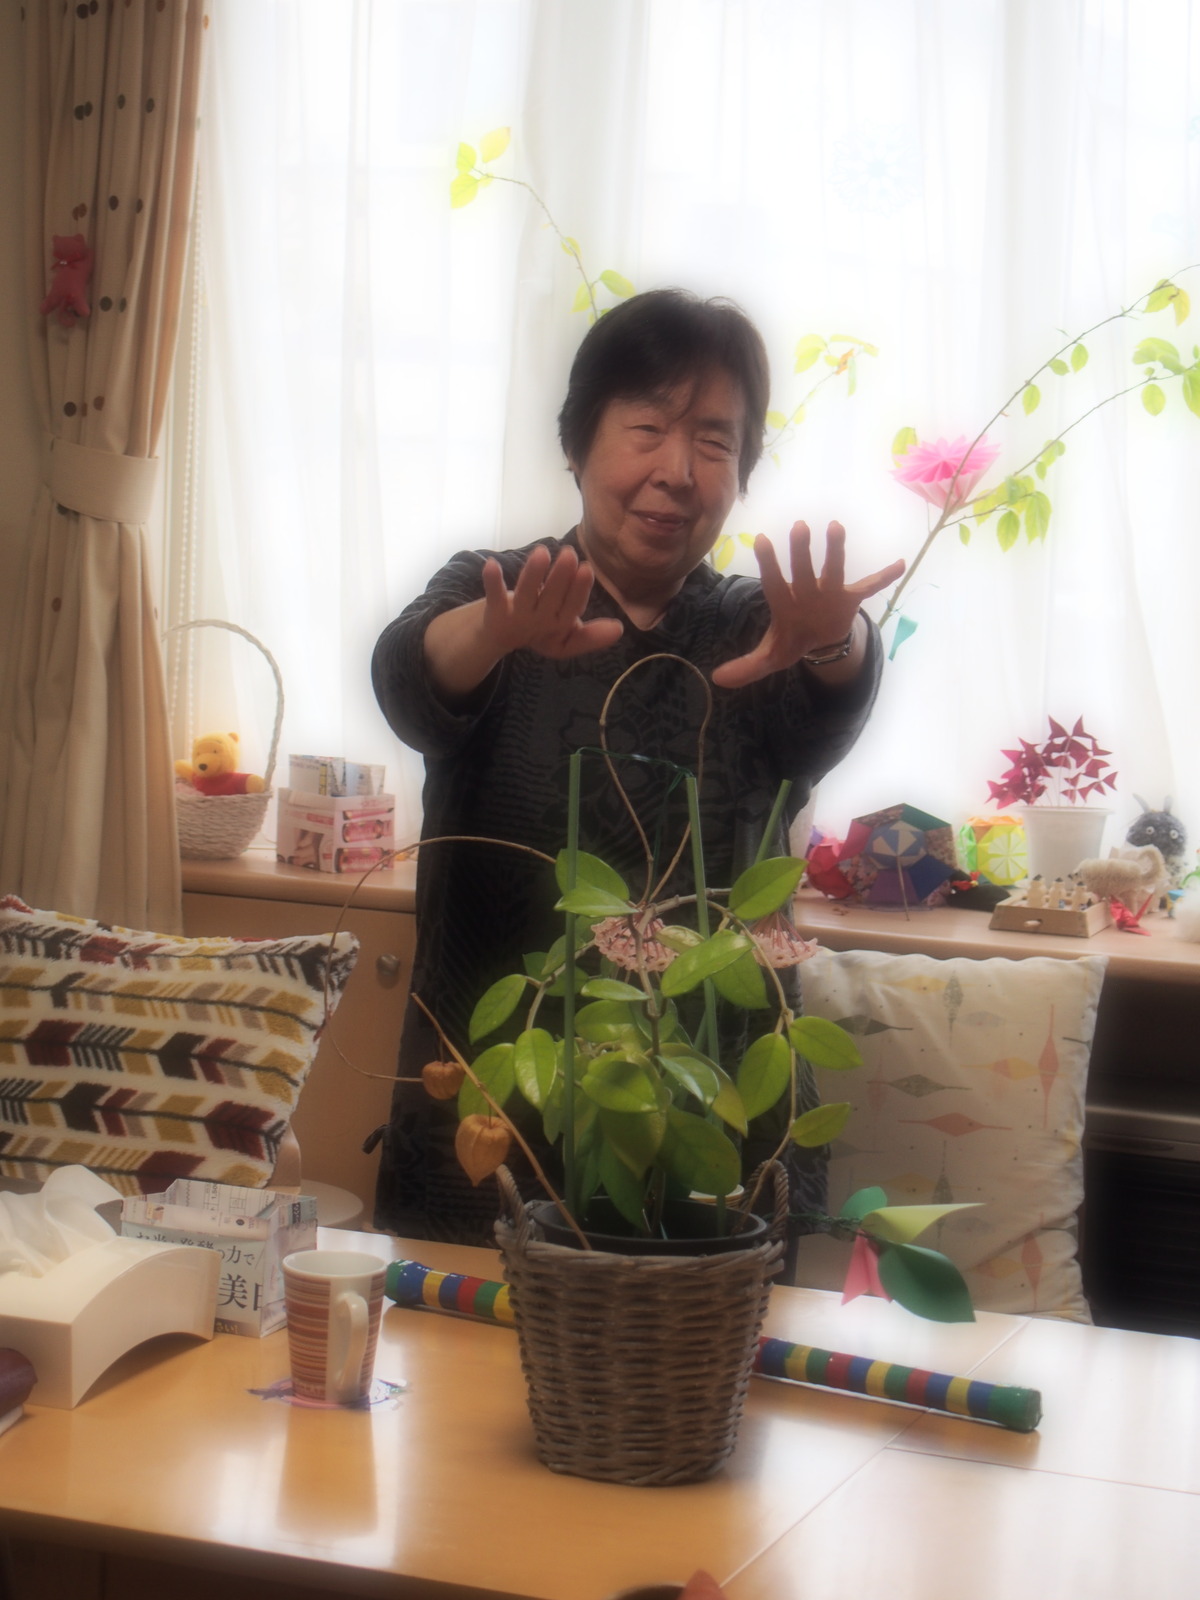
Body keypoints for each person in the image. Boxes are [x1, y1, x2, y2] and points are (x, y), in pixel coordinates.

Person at [371, 288, 903, 1244]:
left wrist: (834, 639)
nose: (677, 471)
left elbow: (831, 696)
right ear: (578, 444)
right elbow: (412, 680)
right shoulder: (496, 592)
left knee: (702, 1342)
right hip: (495, 1117)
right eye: (648, 428)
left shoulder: (753, 626)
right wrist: (495, 631)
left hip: (713, 1118)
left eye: (714, 441)